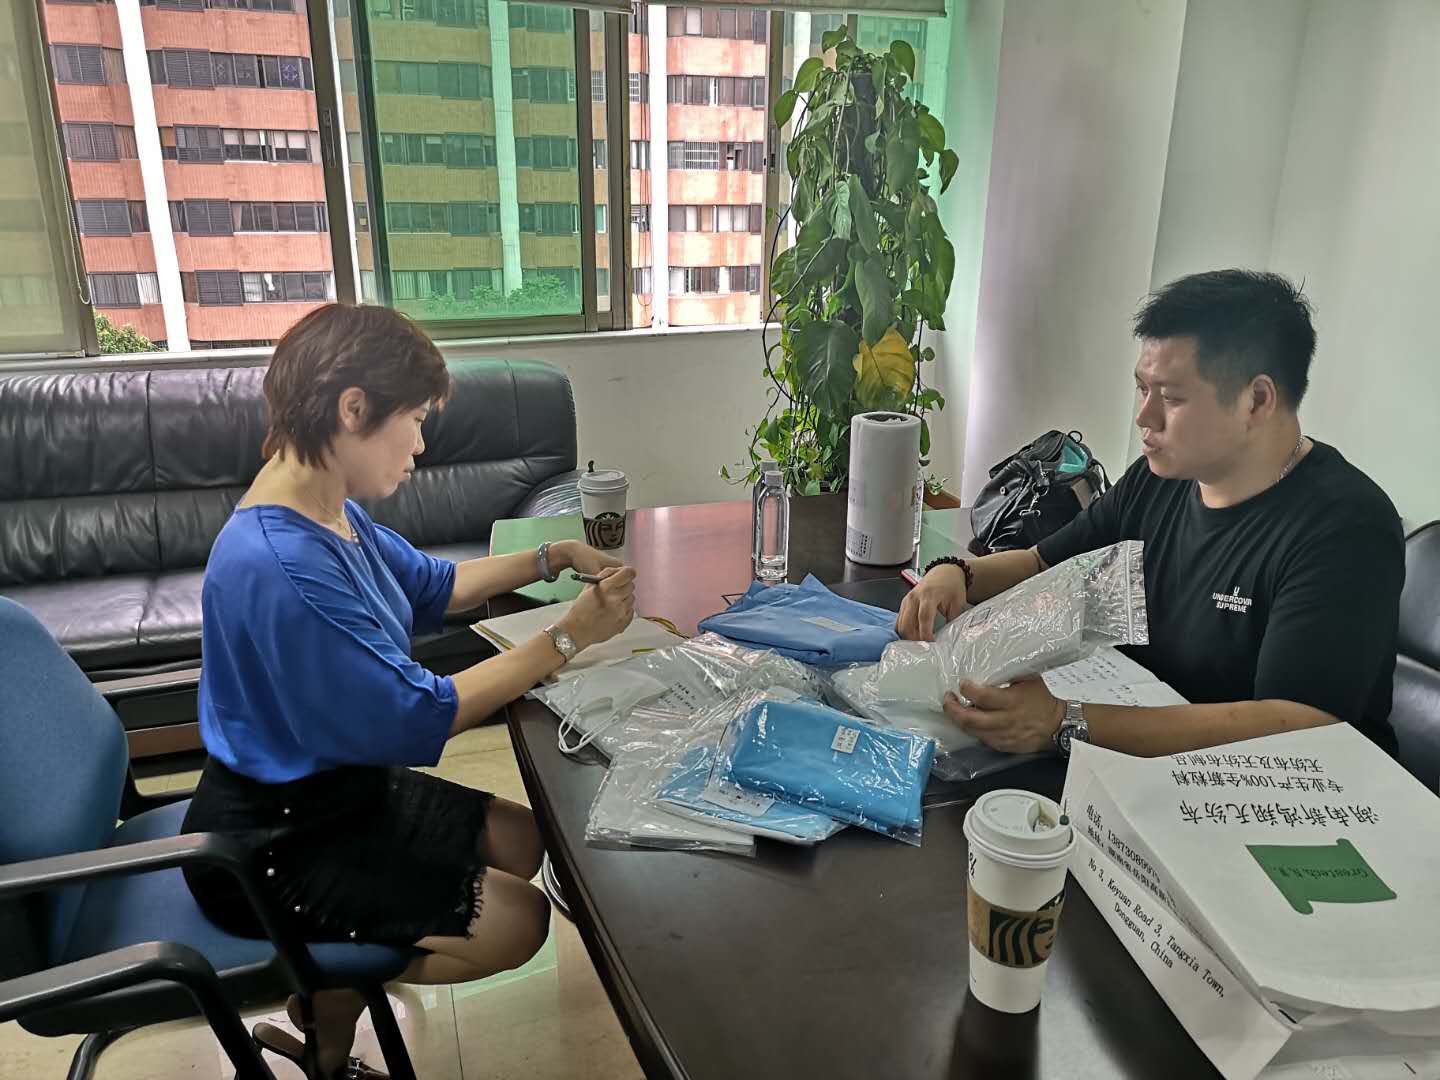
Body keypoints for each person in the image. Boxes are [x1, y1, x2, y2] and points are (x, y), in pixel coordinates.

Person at [182, 304, 636, 1079]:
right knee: (519, 923)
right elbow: (423, 712)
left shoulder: (326, 510)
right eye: (416, 421)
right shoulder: (283, 565)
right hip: (272, 844)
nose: (421, 446)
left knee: (527, 840)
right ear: (353, 409)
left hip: (339, 792)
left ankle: (327, 1010)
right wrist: (568, 637)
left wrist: (553, 557)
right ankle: (331, 991)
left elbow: (436, 585)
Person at [897, 270, 1405, 759]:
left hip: (1280, 794)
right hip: (1140, 761)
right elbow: (1041, 562)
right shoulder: (1160, 478)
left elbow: (1293, 722)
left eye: (1172, 397)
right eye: (1143, 389)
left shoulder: (1346, 527)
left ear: (1256, 400)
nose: (1144, 416)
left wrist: (1065, 723)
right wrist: (956, 572)